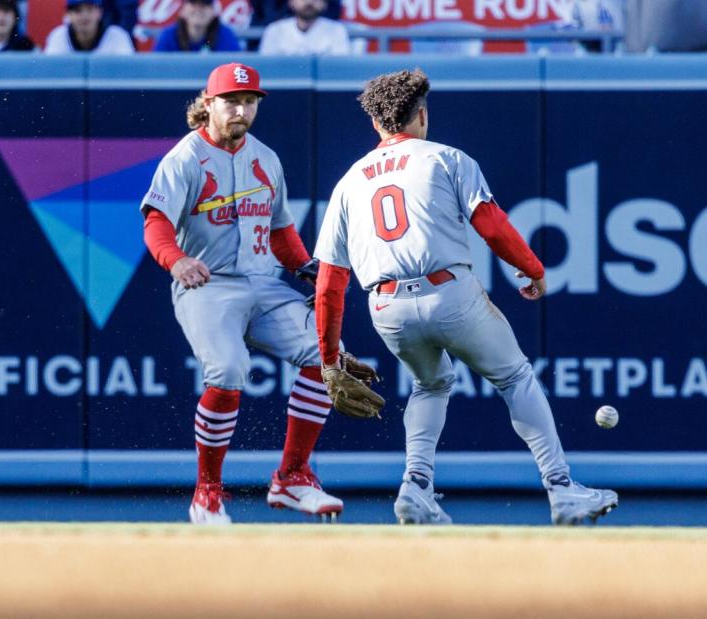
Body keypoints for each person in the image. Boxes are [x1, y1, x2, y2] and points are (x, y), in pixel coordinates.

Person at [312, 69, 620, 526]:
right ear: (421, 114)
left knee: (431, 383)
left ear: (375, 124)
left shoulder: (348, 181)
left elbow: (330, 283)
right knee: (515, 378)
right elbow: (492, 227)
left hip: (387, 306)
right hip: (448, 293)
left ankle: (415, 487)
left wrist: (329, 357)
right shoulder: (445, 158)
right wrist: (533, 269)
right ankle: (562, 490)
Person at [140, 63, 350, 524]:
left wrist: (305, 268)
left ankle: (292, 477)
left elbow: (279, 229)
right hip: (208, 285)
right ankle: (207, 493)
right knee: (229, 370)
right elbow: (155, 224)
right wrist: (176, 260)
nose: (241, 109)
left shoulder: (266, 158)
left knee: (326, 355)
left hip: (263, 283)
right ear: (208, 104)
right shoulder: (184, 159)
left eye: (250, 101)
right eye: (232, 101)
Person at [258, 0, 350, 55]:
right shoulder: (274, 30)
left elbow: (339, 69)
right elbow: (267, 69)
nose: (309, 2)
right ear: (291, 2)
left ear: (324, 4)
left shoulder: (337, 30)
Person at [44, 0, 134, 54]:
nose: (84, 16)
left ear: (100, 13)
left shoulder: (117, 36)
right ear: (68, 15)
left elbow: (129, 76)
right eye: (78, 11)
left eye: (90, 9)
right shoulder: (58, 36)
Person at [153, 0, 242, 53]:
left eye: (205, 4)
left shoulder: (225, 34)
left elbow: (235, 68)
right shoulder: (169, 35)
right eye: (193, 3)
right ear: (183, 10)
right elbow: (157, 69)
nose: (199, 9)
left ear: (213, 11)